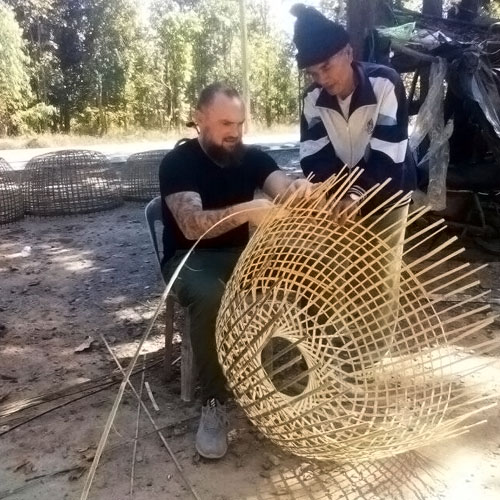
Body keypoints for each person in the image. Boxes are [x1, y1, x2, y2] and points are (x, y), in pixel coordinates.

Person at [159, 82, 312, 459]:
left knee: (298, 273)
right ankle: (213, 401)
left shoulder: (252, 158)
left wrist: (304, 191)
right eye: (226, 123)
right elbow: (192, 225)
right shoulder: (178, 163)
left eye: (240, 124)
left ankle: (281, 368)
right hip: (189, 257)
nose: (234, 133)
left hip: (242, 254)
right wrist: (246, 211)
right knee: (213, 295)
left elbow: (282, 189)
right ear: (199, 119)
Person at [290, 4, 417, 376]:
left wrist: (358, 196)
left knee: (379, 272)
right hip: (339, 195)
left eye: (326, 67)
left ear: (348, 52)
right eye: (313, 72)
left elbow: (389, 151)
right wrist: (332, 194)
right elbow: (314, 156)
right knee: (340, 267)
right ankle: (341, 345)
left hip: (389, 190)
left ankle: (370, 360)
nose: (321, 79)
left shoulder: (385, 83)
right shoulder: (313, 100)